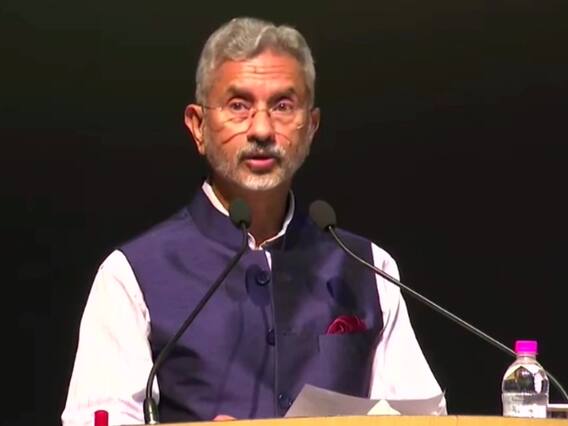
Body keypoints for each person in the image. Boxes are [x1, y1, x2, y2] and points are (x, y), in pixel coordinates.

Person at [62, 16, 446, 426]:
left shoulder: (368, 268)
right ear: (198, 126)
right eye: (238, 106)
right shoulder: (132, 275)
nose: (262, 129)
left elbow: (424, 417)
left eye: (283, 106)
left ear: (311, 127)